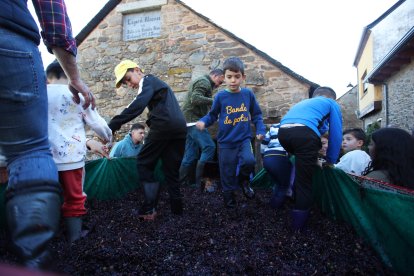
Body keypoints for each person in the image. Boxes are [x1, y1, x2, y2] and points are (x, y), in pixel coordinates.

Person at [0, 0, 95, 268]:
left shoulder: (47, 90)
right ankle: (37, 254)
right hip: (9, 35)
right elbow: (52, 11)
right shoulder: (67, 94)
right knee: (30, 154)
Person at [108, 60, 187, 220]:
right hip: (179, 128)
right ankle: (177, 213)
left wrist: (113, 124)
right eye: (125, 83)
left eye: (128, 79)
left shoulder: (148, 80)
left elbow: (137, 105)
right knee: (171, 171)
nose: (129, 84)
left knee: (143, 162)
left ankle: (149, 210)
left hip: (164, 126)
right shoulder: (159, 84)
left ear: (137, 70)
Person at [46, 61, 112, 243]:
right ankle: (74, 238)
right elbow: (98, 124)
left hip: (43, 158)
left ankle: (47, 240)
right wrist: (108, 137)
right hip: (71, 157)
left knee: (46, 196)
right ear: (70, 76)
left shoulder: (38, 94)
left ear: (47, 77)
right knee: (74, 197)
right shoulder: (78, 95)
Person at [196, 57, 266, 208]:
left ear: (243, 77)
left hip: (243, 139)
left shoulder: (248, 94)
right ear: (224, 77)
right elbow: (212, 115)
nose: (233, 80)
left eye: (237, 77)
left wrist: (260, 129)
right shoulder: (221, 96)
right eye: (229, 77)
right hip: (226, 142)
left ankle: (244, 181)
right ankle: (229, 199)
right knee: (227, 171)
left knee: (249, 161)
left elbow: (257, 115)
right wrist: (204, 121)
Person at [278, 86, 342, 231]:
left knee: (302, 166)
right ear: (332, 98)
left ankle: (290, 194)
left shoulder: (304, 104)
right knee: (305, 182)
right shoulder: (332, 103)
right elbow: (336, 133)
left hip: (283, 134)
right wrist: (331, 160)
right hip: (304, 135)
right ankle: (298, 227)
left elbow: (316, 127)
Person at [179, 69, 224, 190]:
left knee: (190, 155)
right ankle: (201, 183)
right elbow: (195, 98)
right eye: (220, 81)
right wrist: (215, 101)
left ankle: (182, 185)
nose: (219, 85)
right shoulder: (204, 82)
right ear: (215, 75)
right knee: (209, 147)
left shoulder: (205, 82)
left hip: (188, 121)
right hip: (194, 121)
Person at [261, 123, 292, 209]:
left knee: (278, 183)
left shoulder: (273, 127)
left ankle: (273, 203)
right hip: (280, 156)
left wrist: (262, 157)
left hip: (267, 156)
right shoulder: (292, 127)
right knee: (284, 185)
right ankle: (275, 208)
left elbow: (264, 143)